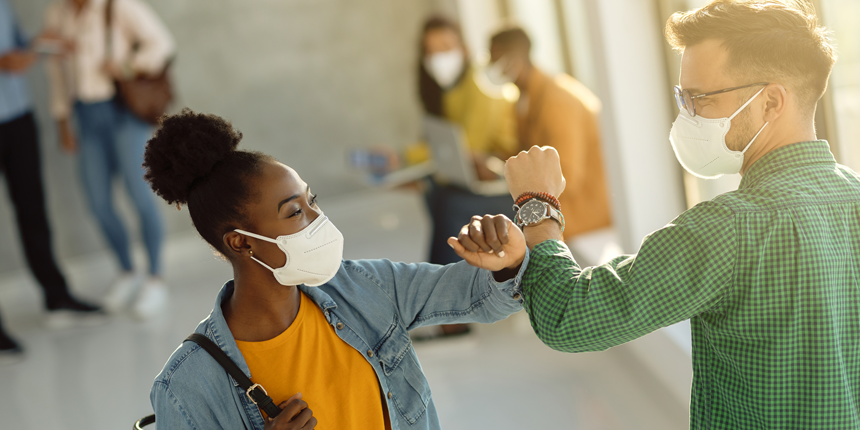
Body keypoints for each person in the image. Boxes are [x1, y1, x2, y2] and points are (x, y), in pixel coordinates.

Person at [460, 1, 858, 428]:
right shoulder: (853, 195)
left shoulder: (727, 228)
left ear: (771, 102)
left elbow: (569, 318)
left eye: (700, 98)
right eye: (681, 96)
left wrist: (536, 205)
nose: (685, 114)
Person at [145, 109, 528, 429]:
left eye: (312, 201)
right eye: (295, 212)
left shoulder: (364, 287)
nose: (318, 219)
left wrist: (506, 261)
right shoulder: (186, 387)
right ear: (241, 242)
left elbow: (478, 295)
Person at [42, 0, 175, 319]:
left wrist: (126, 66)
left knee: (139, 195)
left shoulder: (118, 6)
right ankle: (128, 272)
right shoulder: (56, 14)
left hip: (123, 112)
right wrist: (62, 119)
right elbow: (55, 68)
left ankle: (155, 279)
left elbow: (162, 44)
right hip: (86, 118)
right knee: (98, 203)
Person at [0, 0, 104, 362]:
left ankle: (56, 296)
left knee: (33, 210)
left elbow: (15, 47)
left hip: (17, 117)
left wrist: (36, 47)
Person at [415, 16, 521, 338]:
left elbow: (471, 145)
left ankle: (450, 316)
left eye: (446, 47)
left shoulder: (478, 83)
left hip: (508, 179)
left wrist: (407, 158)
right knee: (434, 190)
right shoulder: (450, 88)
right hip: (487, 173)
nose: (439, 57)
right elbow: (452, 148)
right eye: (431, 51)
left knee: (448, 201)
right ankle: (447, 302)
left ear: (463, 46)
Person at [487, 25, 614, 265]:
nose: (490, 65)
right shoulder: (524, 99)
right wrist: (493, 163)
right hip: (553, 201)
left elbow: (567, 179)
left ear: (514, 59)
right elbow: (525, 154)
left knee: (470, 209)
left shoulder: (558, 100)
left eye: (494, 58)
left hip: (584, 210)